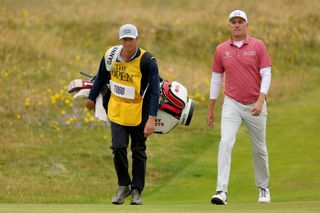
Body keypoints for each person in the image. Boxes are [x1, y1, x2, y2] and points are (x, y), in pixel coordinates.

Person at [85, 24, 160, 205]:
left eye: (131, 39)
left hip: (139, 110)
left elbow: (155, 91)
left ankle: (137, 191)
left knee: (138, 151)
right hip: (117, 108)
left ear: (137, 39)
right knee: (118, 147)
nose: (128, 43)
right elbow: (101, 76)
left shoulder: (148, 60)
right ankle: (123, 186)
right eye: (124, 39)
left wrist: (151, 118)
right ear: (120, 40)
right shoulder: (110, 56)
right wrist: (91, 97)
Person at [207, 10, 272, 205]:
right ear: (229, 25)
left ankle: (263, 188)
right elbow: (216, 79)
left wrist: (261, 100)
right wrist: (211, 108)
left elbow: (266, 73)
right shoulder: (221, 49)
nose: (237, 25)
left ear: (246, 25)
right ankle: (221, 191)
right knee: (225, 142)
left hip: (255, 104)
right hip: (232, 103)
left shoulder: (257, 45)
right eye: (233, 22)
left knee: (259, 148)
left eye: (240, 22)